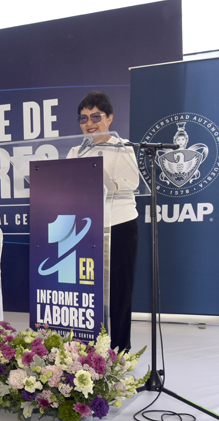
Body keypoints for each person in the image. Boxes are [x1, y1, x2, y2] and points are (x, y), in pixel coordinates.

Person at [69, 90, 139, 352]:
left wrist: (103, 183)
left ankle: (120, 350)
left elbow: (131, 183)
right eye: (83, 118)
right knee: (87, 291)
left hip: (118, 225)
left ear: (110, 118)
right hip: (85, 229)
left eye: (96, 116)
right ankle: (89, 349)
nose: (89, 123)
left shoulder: (123, 147)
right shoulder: (76, 151)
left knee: (119, 292)